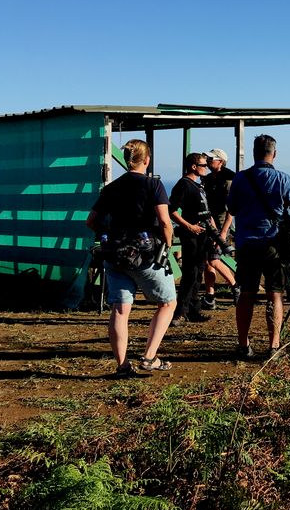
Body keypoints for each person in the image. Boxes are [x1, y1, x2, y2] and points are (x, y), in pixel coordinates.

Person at [85, 139, 176, 375]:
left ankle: (123, 365)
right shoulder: (153, 185)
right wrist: (167, 245)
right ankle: (149, 356)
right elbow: (165, 222)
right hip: (145, 256)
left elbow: (91, 221)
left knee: (120, 309)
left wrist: (109, 234)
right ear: (147, 160)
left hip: (115, 255)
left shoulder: (112, 188)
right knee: (168, 303)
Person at [226, 134, 290, 358]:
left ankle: (244, 345)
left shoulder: (240, 179)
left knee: (246, 294)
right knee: (275, 294)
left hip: (246, 243)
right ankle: (274, 346)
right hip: (274, 243)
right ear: (274, 154)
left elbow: (231, 209)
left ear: (254, 153)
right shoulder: (283, 179)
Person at [169, 153, 213, 326]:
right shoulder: (184, 185)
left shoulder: (199, 186)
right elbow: (172, 210)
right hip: (191, 236)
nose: (206, 168)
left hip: (203, 235)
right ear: (194, 167)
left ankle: (193, 310)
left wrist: (214, 231)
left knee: (198, 272)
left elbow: (206, 212)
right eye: (203, 165)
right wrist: (189, 226)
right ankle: (180, 313)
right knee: (190, 273)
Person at [201, 148, 237, 310]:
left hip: (221, 224)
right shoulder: (208, 179)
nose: (208, 162)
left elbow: (231, 209)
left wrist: (223, 232)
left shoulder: (229, 180)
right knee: (208, 260)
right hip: (209, 223)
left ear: (220, 162)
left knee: (214, 259)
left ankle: (235, 285)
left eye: (211, 159)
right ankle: (210, 295)